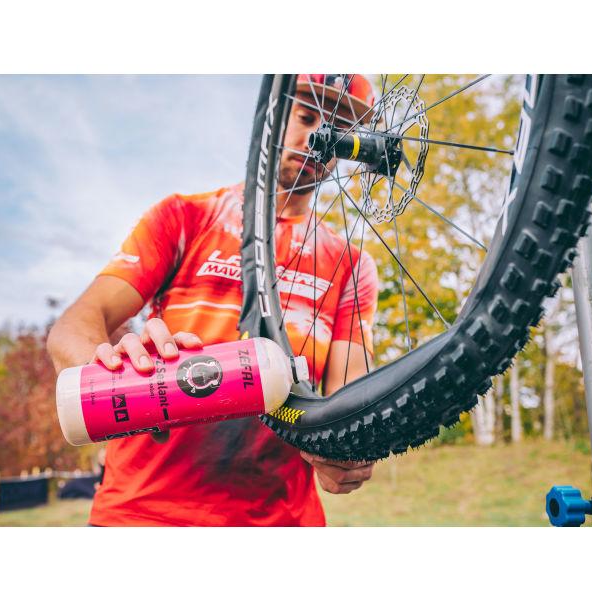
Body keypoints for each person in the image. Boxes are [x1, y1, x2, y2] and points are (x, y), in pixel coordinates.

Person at [47, 74, 380, 526]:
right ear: (273, 116)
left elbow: (350, 391)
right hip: (143, 513)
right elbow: (76, 323)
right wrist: (107, 376)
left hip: (281, 521)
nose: (318, 139)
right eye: (306, 117)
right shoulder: (186, 217)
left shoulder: (351, 264)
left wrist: (350, 444)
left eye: (339, 131)